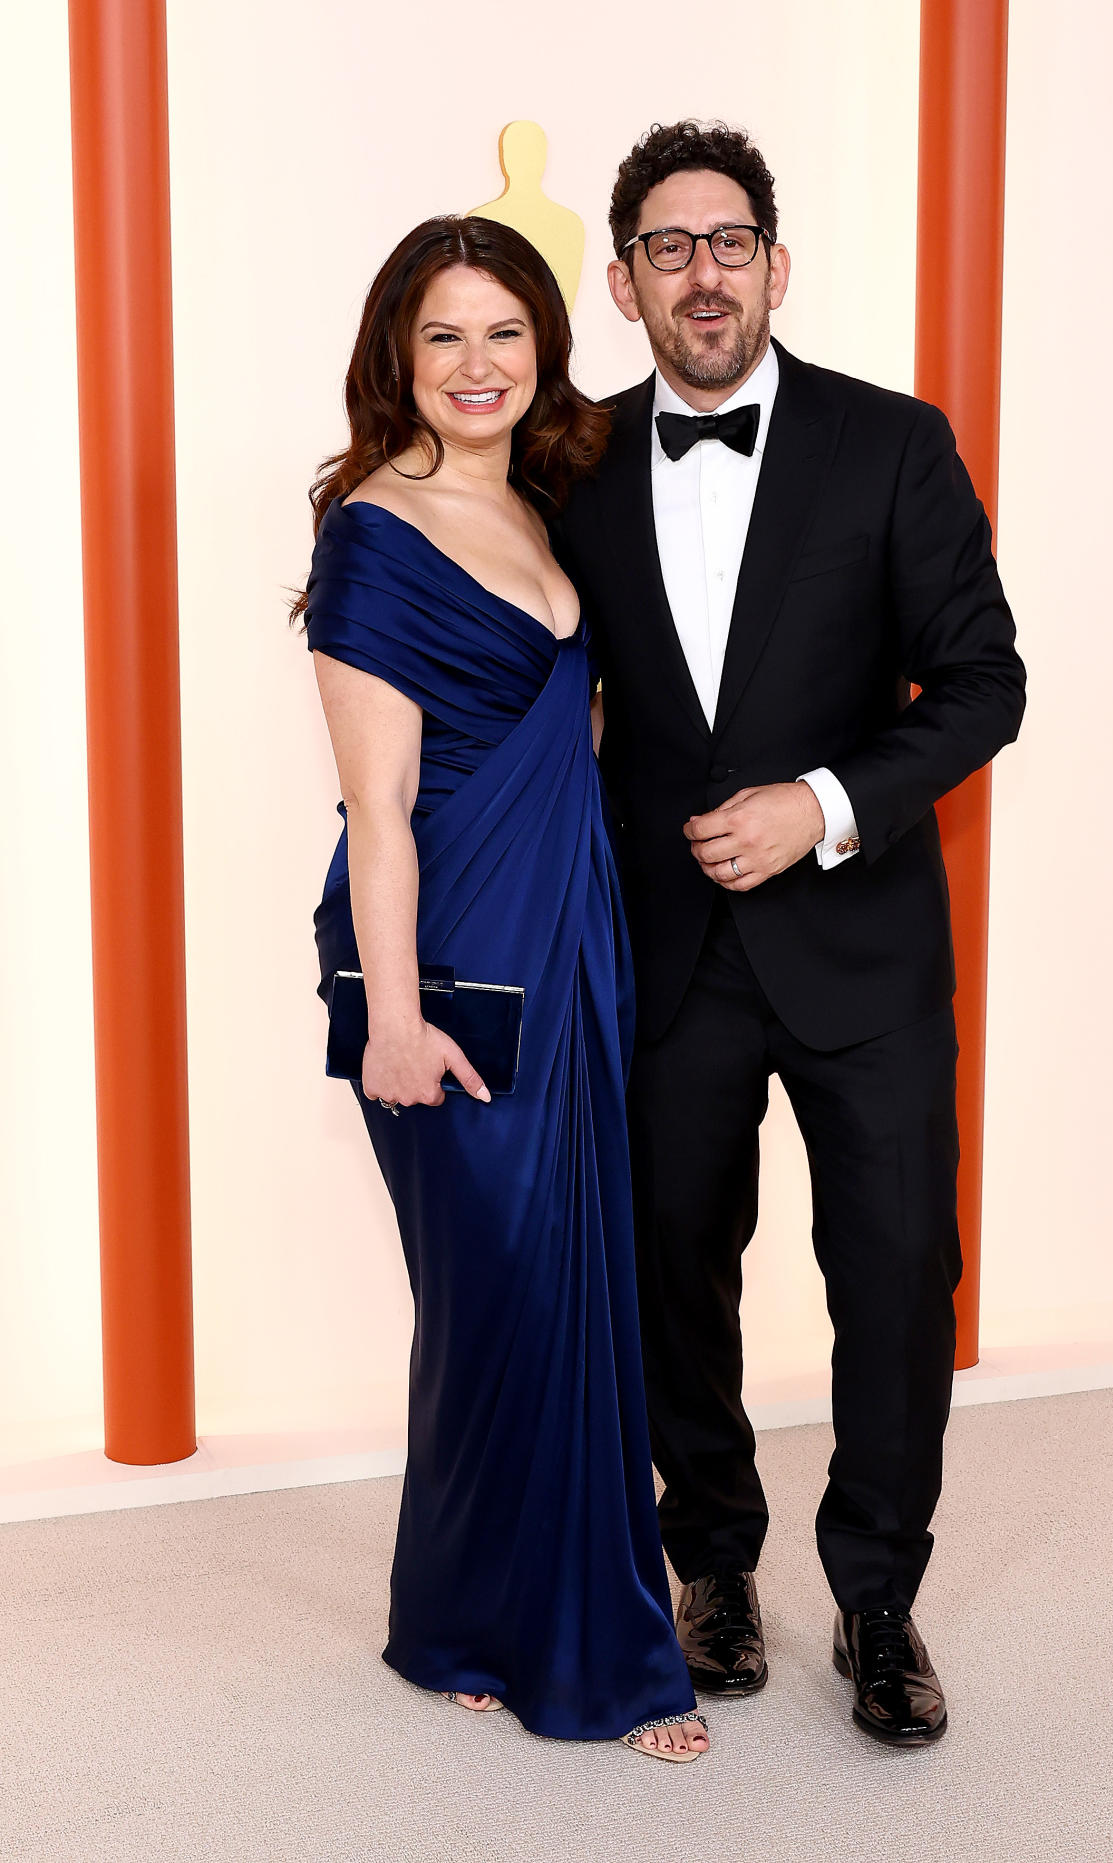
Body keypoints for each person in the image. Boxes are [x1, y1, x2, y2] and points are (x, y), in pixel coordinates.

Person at [553, 121, 1026, 1746]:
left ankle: (879, 1604)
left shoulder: (893, 444)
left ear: (774, 263)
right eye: (668, 246)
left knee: (896, 1274)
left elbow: (984, 685)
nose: (703, 272)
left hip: (864, 949)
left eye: (729, 241)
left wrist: (817, 801)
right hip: (662, 950)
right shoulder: (569, 461)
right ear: (622, 280)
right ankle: (711, 1566)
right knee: (674, 1271)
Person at [297, 215, 708, 1762]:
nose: (477, 367)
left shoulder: (544, 509)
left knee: (559, 1293)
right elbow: (381, 811)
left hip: (573, 938)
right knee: (504, 1299)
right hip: (452, 961)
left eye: (504, 336)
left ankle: (454, 1620)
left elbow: (573, 731)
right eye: (445, 338)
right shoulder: (374, 530)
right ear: (399, 358)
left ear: (544, 350)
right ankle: (577, 1651)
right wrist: (395, 1020)